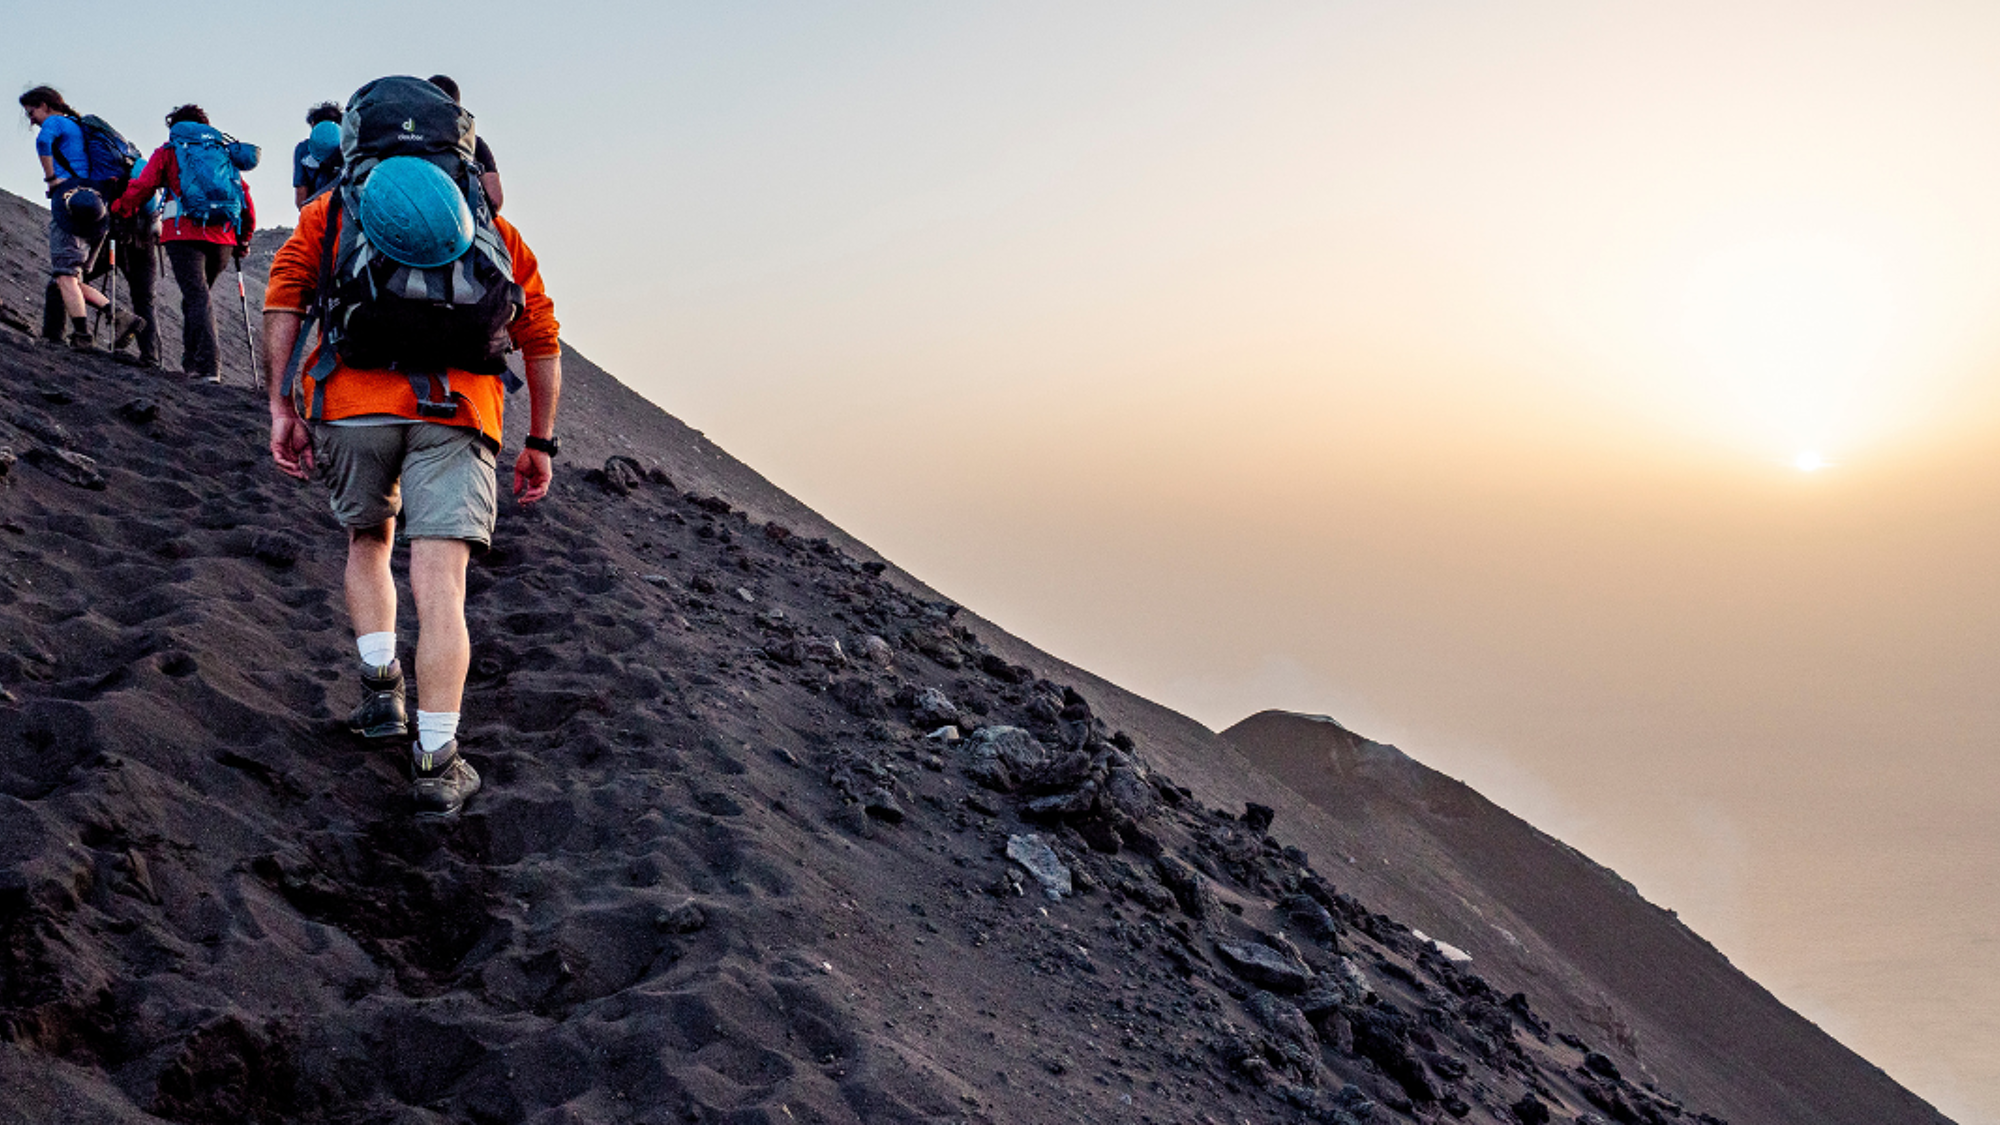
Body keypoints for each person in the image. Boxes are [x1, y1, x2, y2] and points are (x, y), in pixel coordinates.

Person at [263, 75, 563, 818]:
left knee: (369, 540)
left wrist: (281, 405)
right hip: (461, 413)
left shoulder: (334, 210)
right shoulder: (488, 225)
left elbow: (285, 297)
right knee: (442, 586)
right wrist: (540, 441)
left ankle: (381, 694)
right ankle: (437, 758)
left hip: (351, 404)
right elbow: (541, 337)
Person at [113, 104, 256, 382]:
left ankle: (208, 366)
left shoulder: (169, 151)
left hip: (183, 235)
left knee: (197, 296)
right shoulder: (222, 152)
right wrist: (244, 239)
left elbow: (144, 186)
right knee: (198, 296)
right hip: (223, 238)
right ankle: (192, 363)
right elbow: (244, 197)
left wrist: (121, 208)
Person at [19, 86, 142, 352]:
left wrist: (51, 179)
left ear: (45, 105)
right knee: (71, 277)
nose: (32, 120)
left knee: (65, 274)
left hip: (71, 204)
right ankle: (120, 316)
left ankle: (83, 336)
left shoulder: (55, 122)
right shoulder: (78, 127)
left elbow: (42, 143)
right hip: (97, 207)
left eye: (32, 112)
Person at [426, 75, 503, 212]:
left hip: (401, 213)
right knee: (504, 226)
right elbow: (494, 200)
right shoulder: (473, 142)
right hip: (457, 215)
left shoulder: (400, 135)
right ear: (457, 107)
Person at [293, 101, 344, 208]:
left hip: (317, 210)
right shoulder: (352, 146)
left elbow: (301, 198)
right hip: (347, 210)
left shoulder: (303, 149)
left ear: (313, 125)